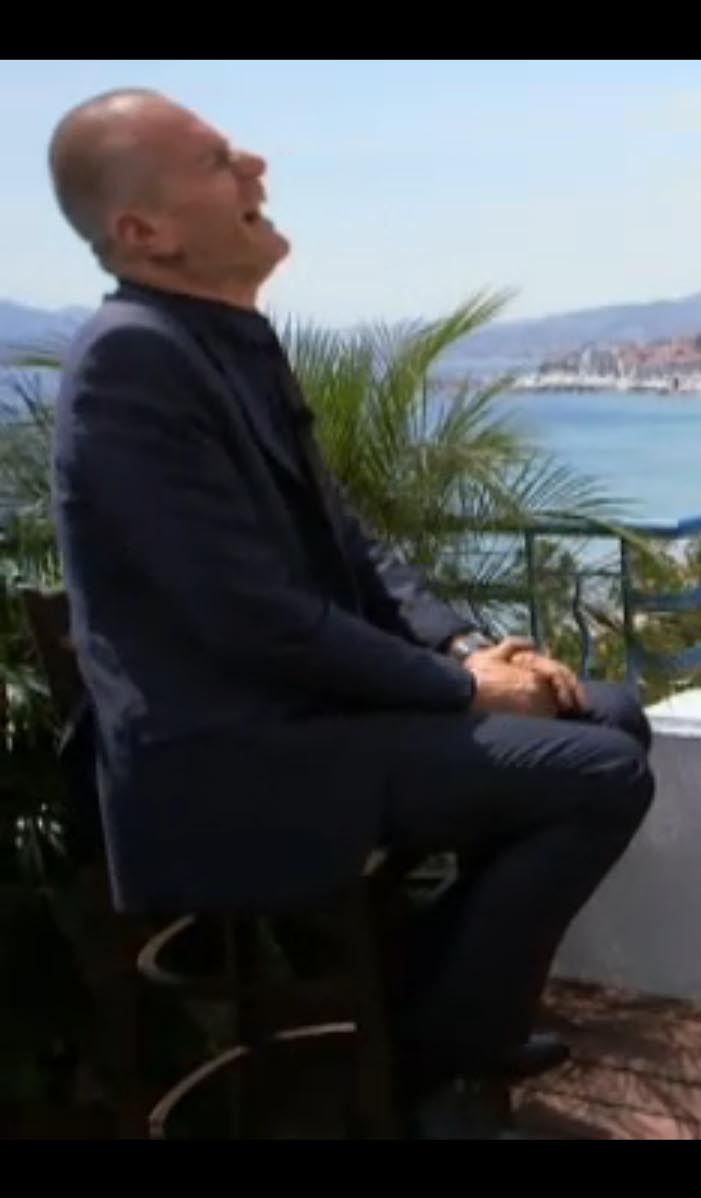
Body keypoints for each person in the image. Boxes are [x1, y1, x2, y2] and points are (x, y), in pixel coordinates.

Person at [47, 89, 654, 1138]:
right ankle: (439, 1064)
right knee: (598, 775)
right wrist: (463, 689)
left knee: (610, 713)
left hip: (303, 725)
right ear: (143, 233)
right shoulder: (131, 360)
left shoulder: (218, 339)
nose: (256, 168)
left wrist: (467, 643)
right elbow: (255, 621)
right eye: (217, 161)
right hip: (227, 761)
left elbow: (357, 550)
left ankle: (434, 1017)